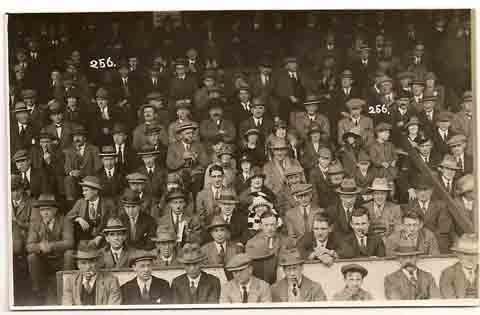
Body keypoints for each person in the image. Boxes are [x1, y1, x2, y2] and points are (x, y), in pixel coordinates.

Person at [26, 194, 74, 303]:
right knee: (31, 257)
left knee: (70, 253)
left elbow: (70, 242)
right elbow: (29, 246)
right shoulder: (35, 223)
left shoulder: (65, 220)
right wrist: (40, 247)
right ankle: (38, 290)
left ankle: (66, 286)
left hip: (61, 259)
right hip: (44, 260)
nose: (45, 213)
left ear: (55, 210)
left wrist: (51, 246)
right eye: (42, 210)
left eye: (48, 209)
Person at [66, 176, 116, 249]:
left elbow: (113, 222)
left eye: (86, 190)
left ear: (95, 191)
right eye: (83, 190)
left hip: (104, 240)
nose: (83, 193)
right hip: (83, 241)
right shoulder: (80, 202)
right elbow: (68, 217)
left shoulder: (108, 204)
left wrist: (100, 236)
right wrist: (79, 219)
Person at [440, 234, 478, 298]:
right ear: (458, 255)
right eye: (466, 254)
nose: (470, 259)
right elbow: (451, 302)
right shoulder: (448, 273)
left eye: (474, 254)